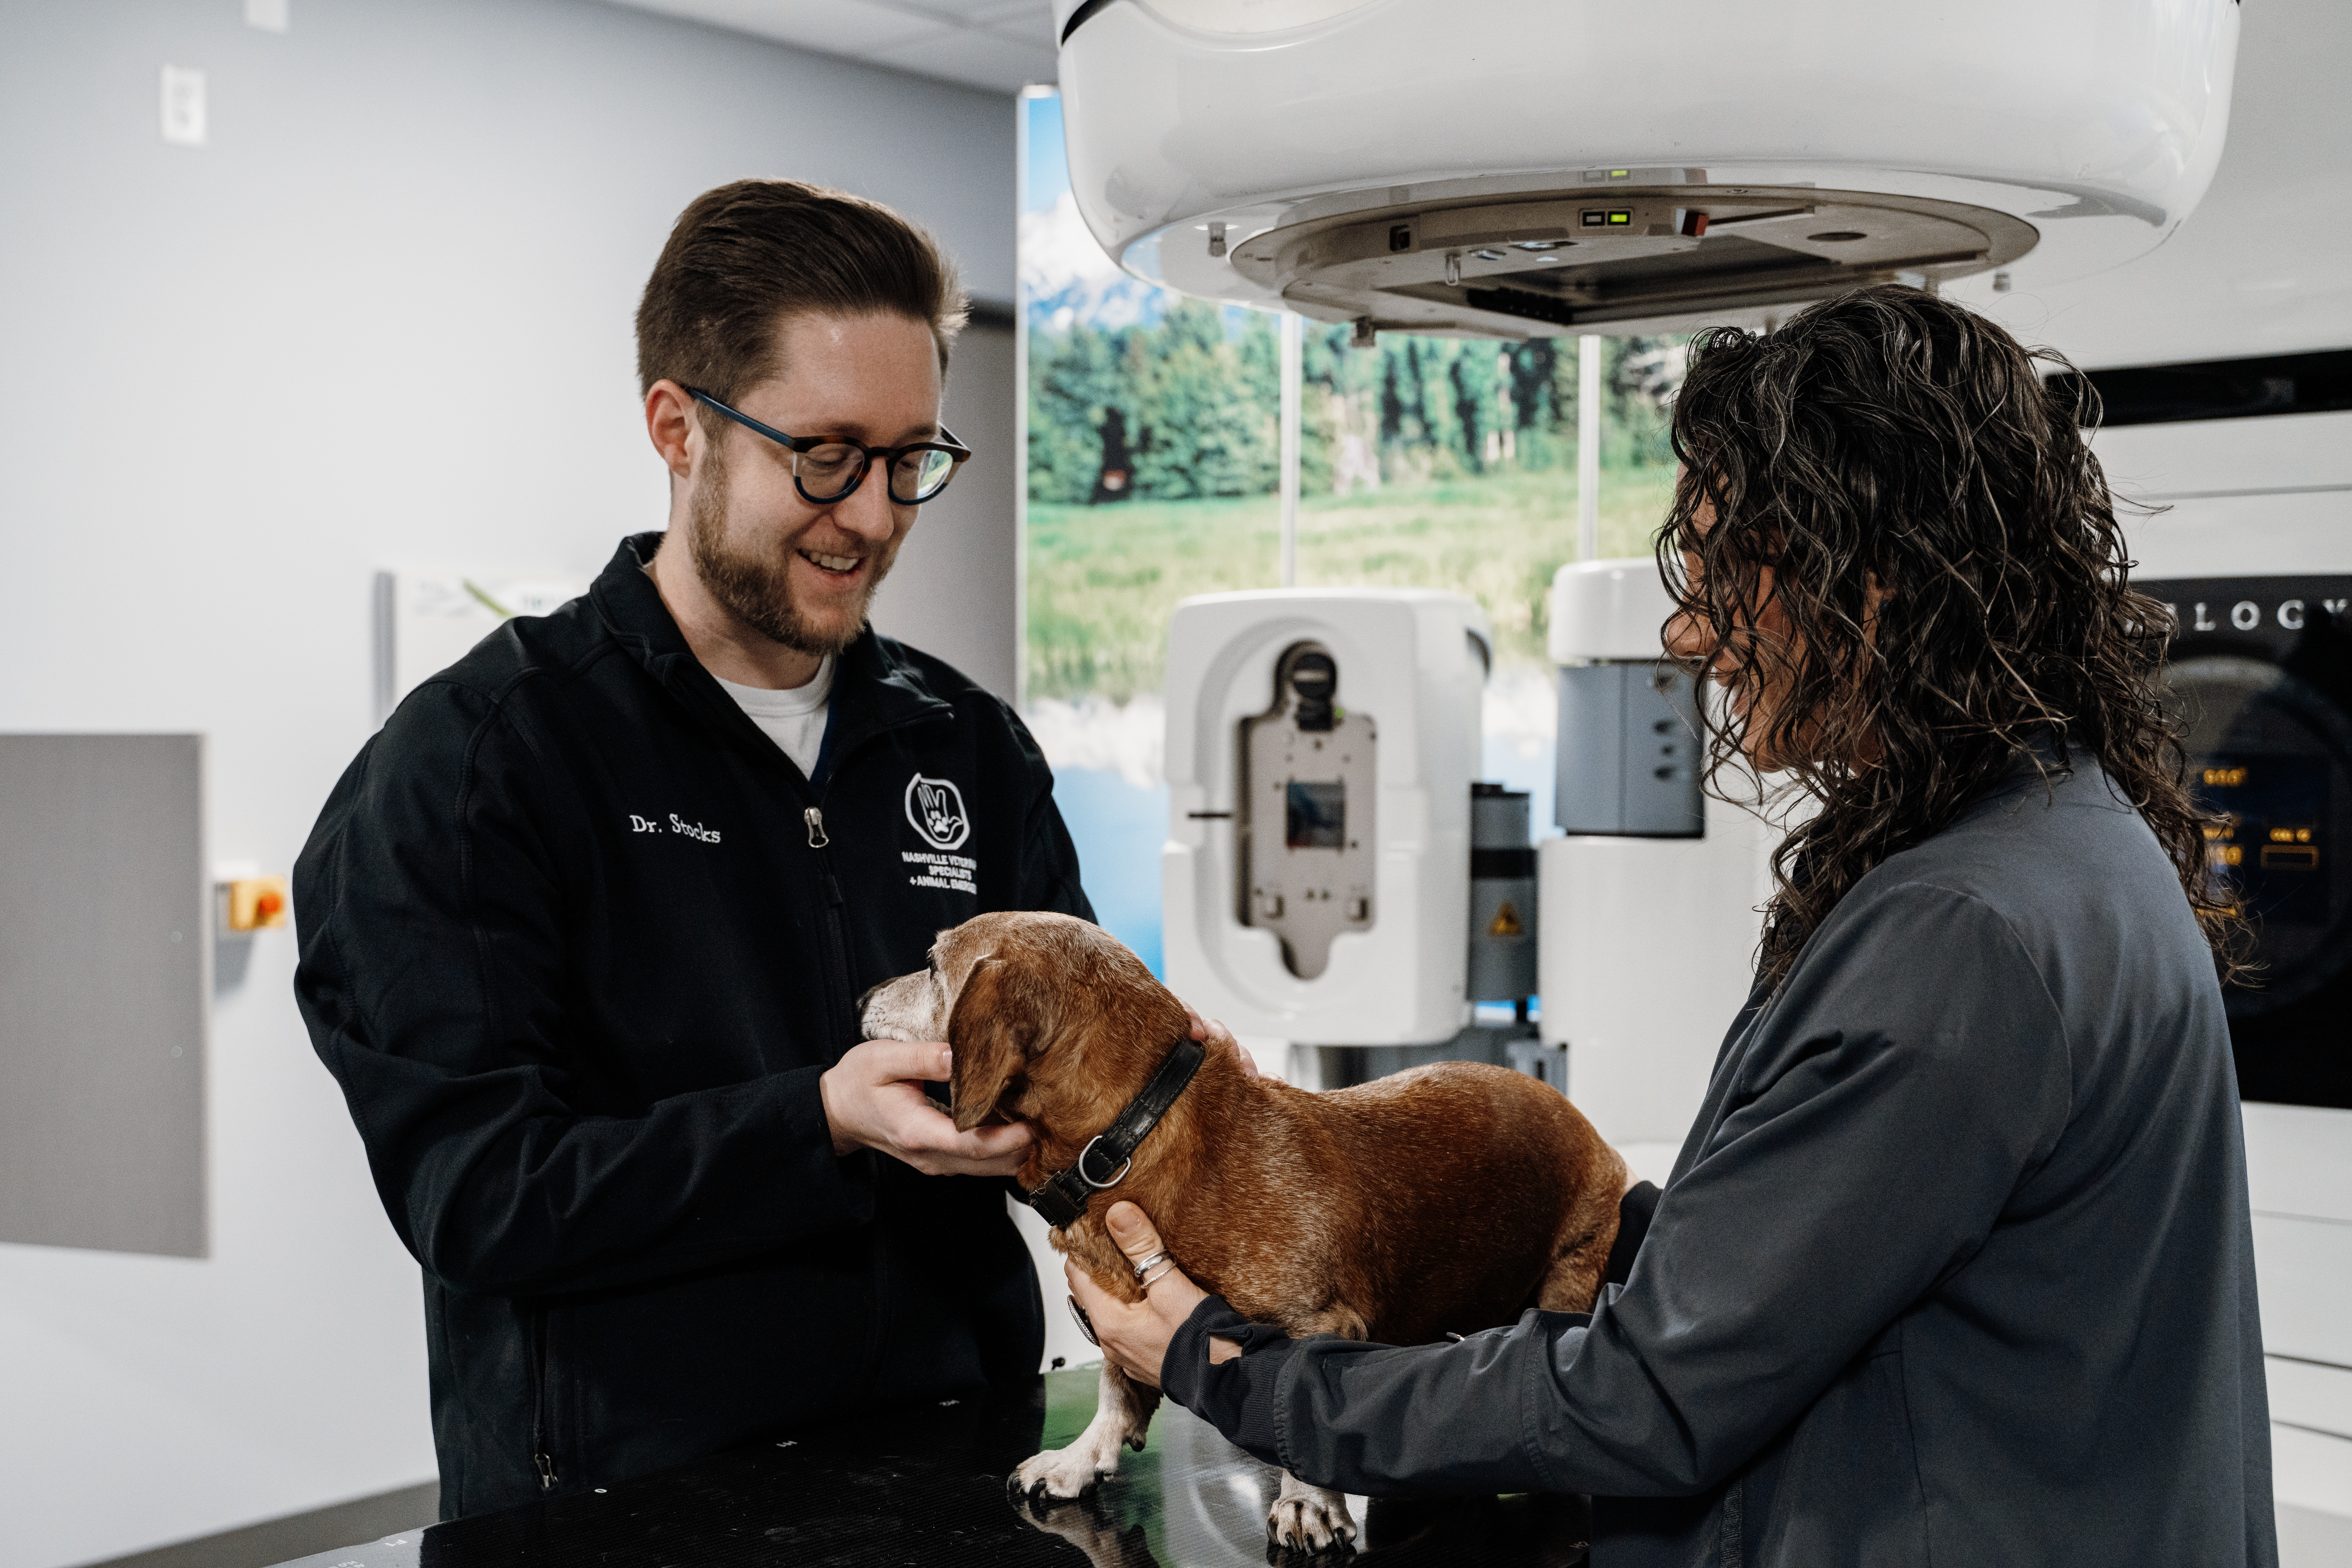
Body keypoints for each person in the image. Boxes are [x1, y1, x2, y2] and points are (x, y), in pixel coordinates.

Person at [1073, 286, 2279, 1566]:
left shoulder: (1959, 933)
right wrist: (1495, 1187)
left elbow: (1649, 1395)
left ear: (1870, 582)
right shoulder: (2069, 839)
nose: (1687, 634)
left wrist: (1233, 1366)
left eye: (1719, 576)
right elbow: (1824, 1254)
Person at [294, 180, 1092, 1517]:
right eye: (826, 456)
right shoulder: (483, 761)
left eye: (911, 460)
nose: (875, 516)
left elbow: (1079, 1071)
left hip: (957, 1481)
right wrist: (819, 1121)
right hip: (633, 1511)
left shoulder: (966, 749)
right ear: (679, 428)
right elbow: (482, 1196)